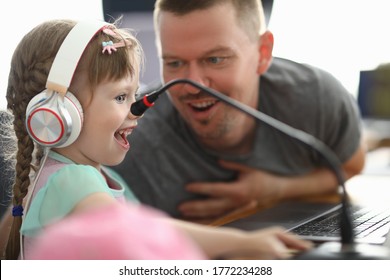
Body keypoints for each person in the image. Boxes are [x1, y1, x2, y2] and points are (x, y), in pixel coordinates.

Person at [3, 18, 311, 260]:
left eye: (134, 94)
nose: (136, 109)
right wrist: (240, 243)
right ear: (60, 113)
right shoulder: (72, 182)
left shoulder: (82, 174)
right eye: (121, 96)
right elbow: (137, 230)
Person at [112, 0, 366, 220]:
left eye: (215, 59)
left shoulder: (315, 96)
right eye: (175, 63)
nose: (192, 85)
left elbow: (352, 164)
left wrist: (278, 189)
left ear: (263, 52)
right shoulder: (133, 141)